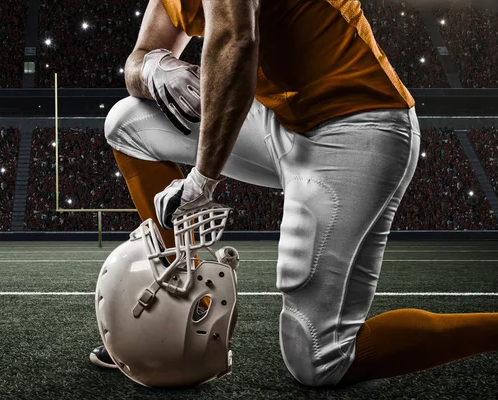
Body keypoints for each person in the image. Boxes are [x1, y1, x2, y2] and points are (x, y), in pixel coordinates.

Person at [90, 0, 498, 387]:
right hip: (281, 119)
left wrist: (202, 179)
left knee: (318, 359)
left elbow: (237, 40)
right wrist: (157, 68)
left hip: (357, 126)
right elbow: (138, 57)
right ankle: (174, 297)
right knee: (126, 122)